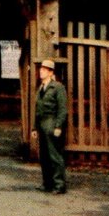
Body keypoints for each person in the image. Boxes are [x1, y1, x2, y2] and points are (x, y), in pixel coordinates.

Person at [33, 59, 68, 194]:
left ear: (51, 72)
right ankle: (47, 183)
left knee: (55, 155)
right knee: (44, 156)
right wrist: (34, 128)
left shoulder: (58, 87)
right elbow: (38, 109)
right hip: (42, 124)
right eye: (41, 69)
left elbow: (62, 109)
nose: (41, 71)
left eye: (44, 69)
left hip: (52, 123)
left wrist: (58, 126)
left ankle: (59, 184)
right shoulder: (41, 88)